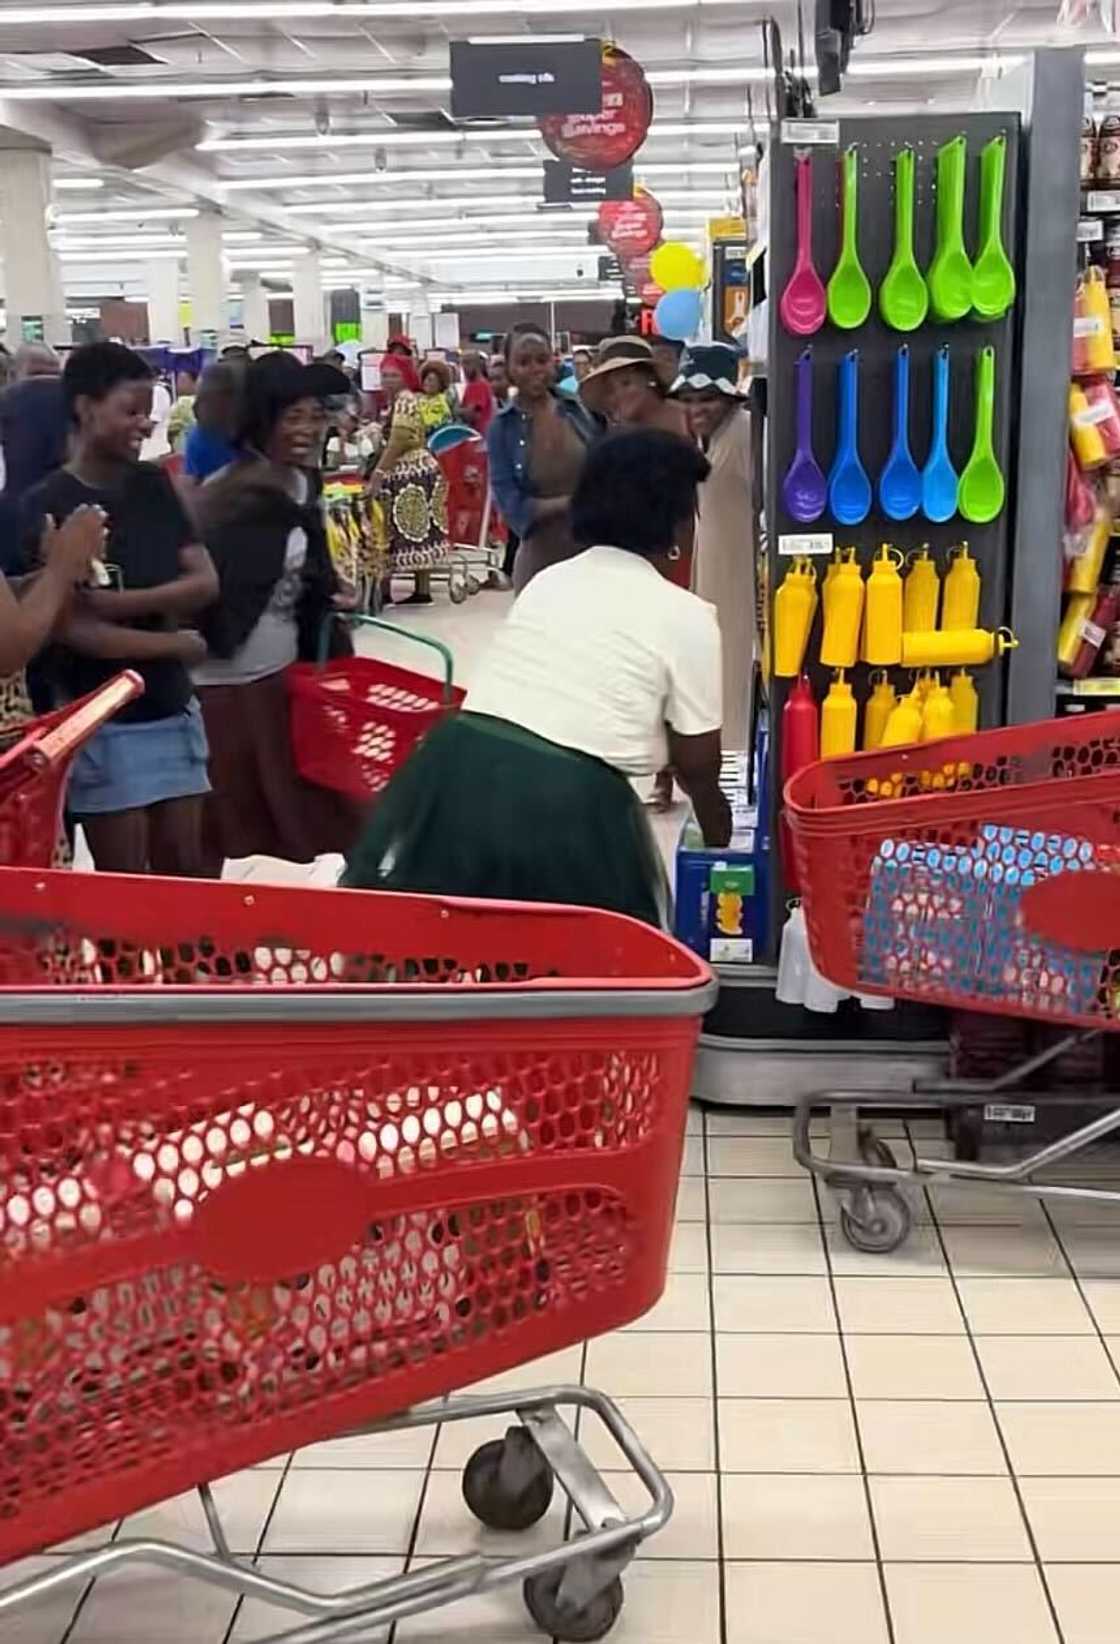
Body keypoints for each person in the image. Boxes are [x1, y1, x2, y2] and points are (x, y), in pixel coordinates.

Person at [344, 428, 730, 923]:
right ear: (679, 522)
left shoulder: (551, 581)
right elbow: (699, 766)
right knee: (579, 967)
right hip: (567, 803)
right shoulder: (688, 617)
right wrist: (721, 841)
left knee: (447, 943)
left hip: (454, 768)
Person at [20, 342, 219, 875]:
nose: (144, 425)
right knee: (123, 895)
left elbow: (204, 580)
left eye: (147, 413)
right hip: (101, 720)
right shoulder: (47, 504)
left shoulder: (154, 485)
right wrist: (174, 644)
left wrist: (115, 603)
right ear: (85, 408)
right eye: (129, 411)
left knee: (188, 875)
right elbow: (69, 629)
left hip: (173, 706)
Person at [192, 351, 362, 874]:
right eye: (294, 416)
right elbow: (208, 607)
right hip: (225, 693)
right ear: (260, 423)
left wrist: (328, 593)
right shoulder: (232, 501)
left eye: (316, 414)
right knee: (216, 829)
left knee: (341, 812)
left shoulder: (301, 482)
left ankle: (371, 933)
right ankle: (210, 944)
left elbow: (302, 566)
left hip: (284, 682)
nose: (310, 429)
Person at [582, 334, 698, 809]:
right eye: (610, 389)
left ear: (650, 381)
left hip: (682, 557)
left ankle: (677, 769)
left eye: (626, 383)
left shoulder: (683, 423)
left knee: (676, 666)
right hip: (634, 560)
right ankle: (655, 767)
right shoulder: (617, 439)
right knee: (639, 665)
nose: (617, 397)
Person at [671, 342, 755, 753]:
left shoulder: (743, 434)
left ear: (728, 398)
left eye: (707, 399)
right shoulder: (712, 441)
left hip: (742, 583)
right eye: (688, 401)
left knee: (735, 678)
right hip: (718, 580)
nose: (696, 409)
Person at [486, 322, 599, 593]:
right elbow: (513, 507)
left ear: (554, 362)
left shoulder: (579, 409)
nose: (535, 369)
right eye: (523, 362)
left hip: (594, 553)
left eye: (542, 360)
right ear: (510, 371)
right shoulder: (501, 428)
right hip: (540, 558)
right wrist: (571, 503)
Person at [369, 351, 449, 607]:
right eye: (384, 375)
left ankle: (386, 592)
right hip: (419, 470)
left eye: (394, 375)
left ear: (405, 377)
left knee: (395, 529)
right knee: (418, 531)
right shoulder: (402, 400)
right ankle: (421, 590)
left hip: (410, 472)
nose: (388, 380)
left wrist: (379, 473)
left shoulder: (404, 400)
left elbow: (398, 440)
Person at [182, 361, 242, 485]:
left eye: (203, 399)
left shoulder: (250, 435)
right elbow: (192, 483)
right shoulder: (198, 437)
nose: (195, 407)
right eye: (197, 398)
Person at [459, 351, 496, 435]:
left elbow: (471, 415)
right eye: (462, 364)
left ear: (477, 365)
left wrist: (455, 411)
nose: (464, 368)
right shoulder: (479, 384)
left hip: (479, 435)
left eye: (467, 363)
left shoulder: (478, 385)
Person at [417, 359, 454, 434]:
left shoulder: (441, 402)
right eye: (426, 379)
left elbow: (431, 424)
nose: (427, 382)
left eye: (431, 380)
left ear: (440, 384)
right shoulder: (420, 398)